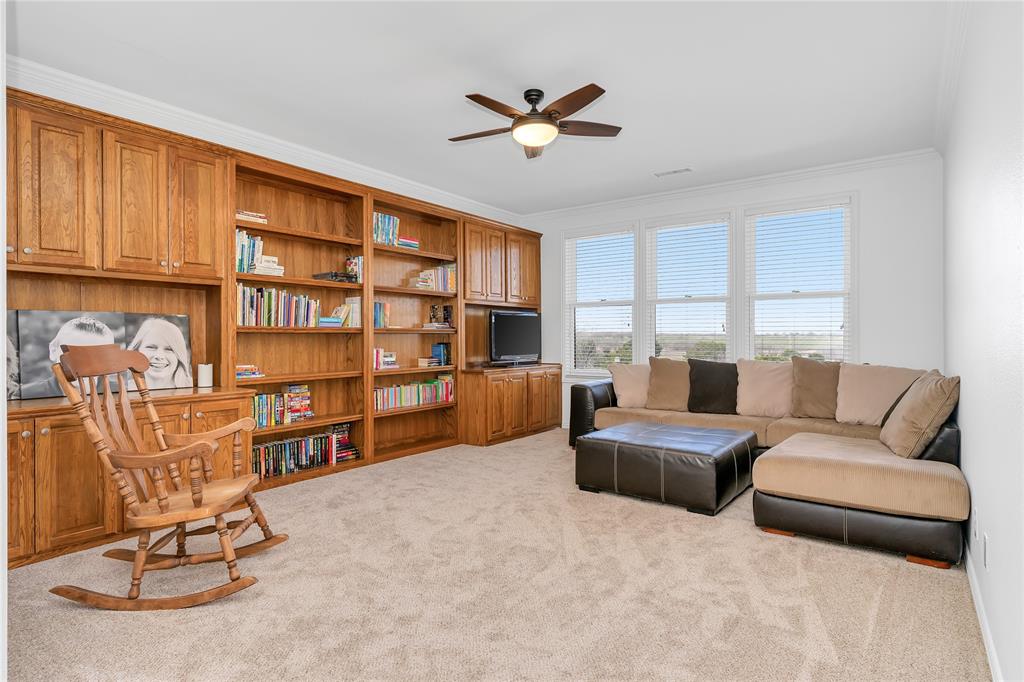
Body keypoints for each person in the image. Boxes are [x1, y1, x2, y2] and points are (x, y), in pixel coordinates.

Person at [21, 316, 117, 399]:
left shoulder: (119, 391)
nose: (84, 365)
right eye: (72, 353)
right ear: (53, 350)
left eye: (98, 356)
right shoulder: (25, 394)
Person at [128, 318, 192, 389]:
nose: (159, 356)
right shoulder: (125, 389)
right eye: (151, 347)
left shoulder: (191, 388)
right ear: (137, 351)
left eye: (169, 349)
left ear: (179, 356)